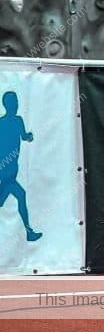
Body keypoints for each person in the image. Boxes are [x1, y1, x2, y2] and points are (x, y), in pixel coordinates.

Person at [0, 91, 42, 242]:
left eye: (16, 103)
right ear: (7, 105)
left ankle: (29, 232)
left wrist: (29, 137)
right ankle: (29, 232)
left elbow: (23, 136)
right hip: (5, 169)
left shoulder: (18, 121)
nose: (16, 105)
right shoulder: (4, 123)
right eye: (13, 103)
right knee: (21, 195)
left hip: (11, 169)